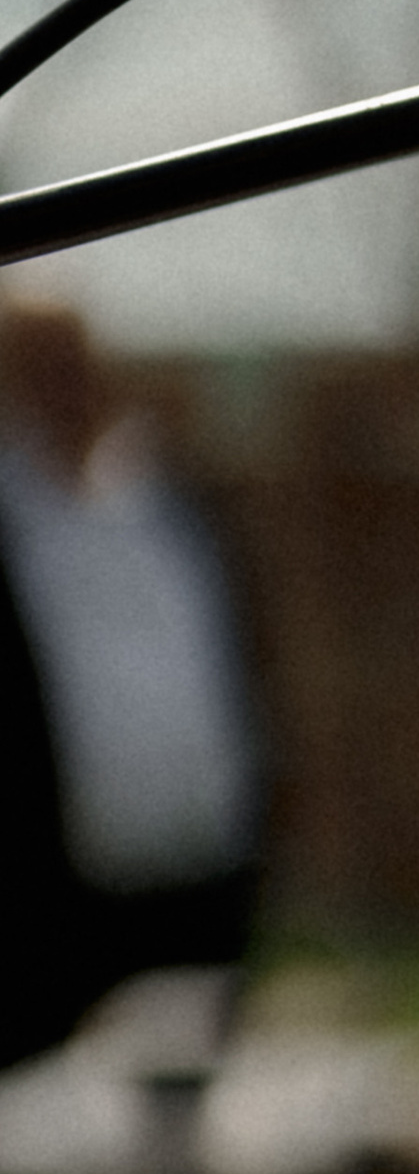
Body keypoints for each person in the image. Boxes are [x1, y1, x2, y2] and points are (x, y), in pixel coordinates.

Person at [0, 294, 264, 1070]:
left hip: (203, 878)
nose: (63, 386)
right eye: (38, 367)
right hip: (54, 901)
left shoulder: (168, 498)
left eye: (74, 363)